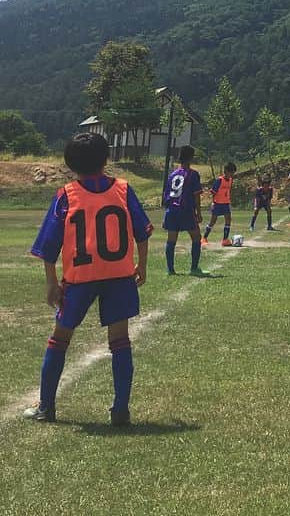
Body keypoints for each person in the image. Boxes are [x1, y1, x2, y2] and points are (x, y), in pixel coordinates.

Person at [24, 132, 152, 426]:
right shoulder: (123, 189)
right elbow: (141, 232)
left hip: (80, 280)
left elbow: (49, 247)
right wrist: (141, 265)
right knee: (120, 341)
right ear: (106, 159)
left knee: (60, 339)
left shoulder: (67, 195)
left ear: (70, 164)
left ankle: (47, 407)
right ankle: (120, 411)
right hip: (119, 276)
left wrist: (51, 283)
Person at [163, 146, 205, 275]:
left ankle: (170, 270)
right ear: (191, 158)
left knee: (171, 240)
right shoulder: (193, 174)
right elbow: (196, 195)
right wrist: (199, 212)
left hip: (172, 210)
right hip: (186, 209)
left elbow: (167, 194)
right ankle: (194, 268)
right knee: (196, 237)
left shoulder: (172, 174)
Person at [202, 161, 237, 246]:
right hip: (217, 204)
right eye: (231, 172)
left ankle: (225, 239)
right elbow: (213, 191)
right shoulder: (219, 180)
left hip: (226, 203)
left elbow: (228, 191)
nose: (232, 174)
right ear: (226, 171)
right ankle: (204, 238)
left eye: (233, 173)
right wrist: (214, 202)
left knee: (228, 220)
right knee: (213, 221)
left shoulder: (230, 180)